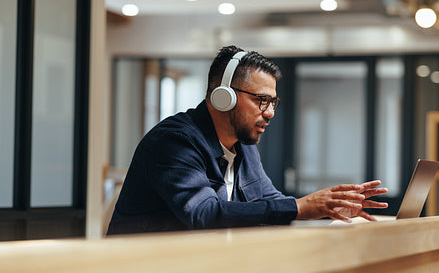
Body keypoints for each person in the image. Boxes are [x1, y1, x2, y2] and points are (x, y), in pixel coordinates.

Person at [106, 45, 388, 235]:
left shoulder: (244, 147)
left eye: (273, 102)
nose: (270, 113)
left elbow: (269, 202)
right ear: (223, 96)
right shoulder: (174, 142)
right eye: (262, 100)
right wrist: (299, 207)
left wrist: (326, 208)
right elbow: (203, 213)